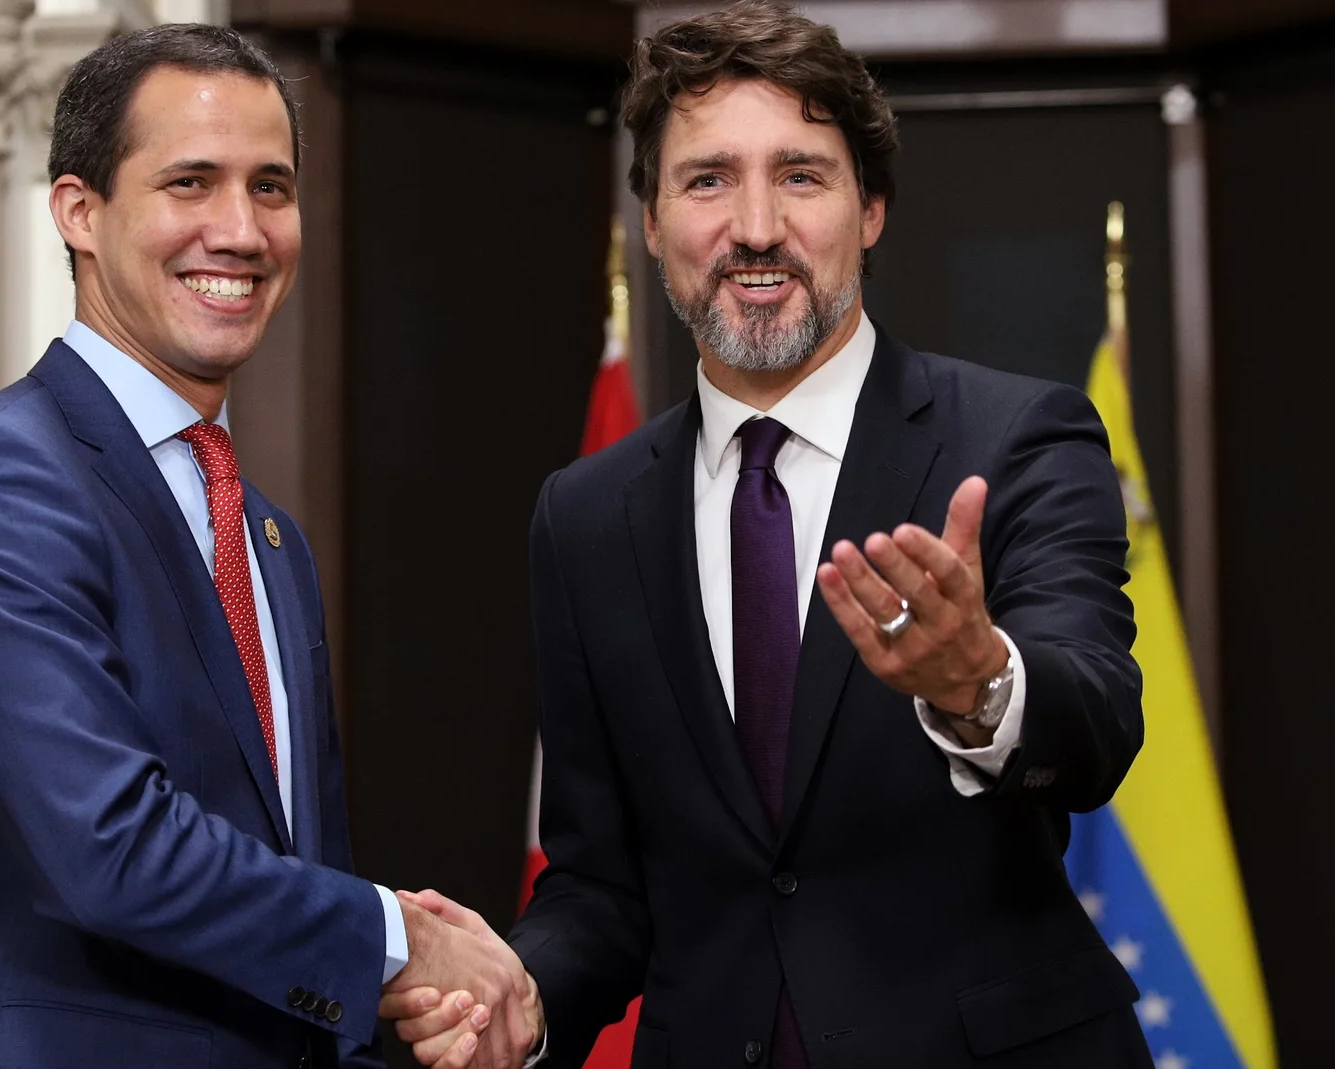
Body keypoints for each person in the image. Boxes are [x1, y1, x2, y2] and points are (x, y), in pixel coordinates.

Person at [386, 2, 1151, 1065]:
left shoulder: (1016, 437)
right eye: (706, 180)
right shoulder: (586, 515)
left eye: (800, 175)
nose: (754, 226)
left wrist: (980, 684)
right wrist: (520, 1000)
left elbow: (1099, 726)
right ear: (651, 219)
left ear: (870, 208)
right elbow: (601, 882)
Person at [0, 25, 529, 1069]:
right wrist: (405, 942)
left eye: (271, 187)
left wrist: (418, 1001)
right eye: (191, 182)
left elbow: (290, 885)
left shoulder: (266, 536)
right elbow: (110, 849)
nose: (240, 229)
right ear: (80, 212)